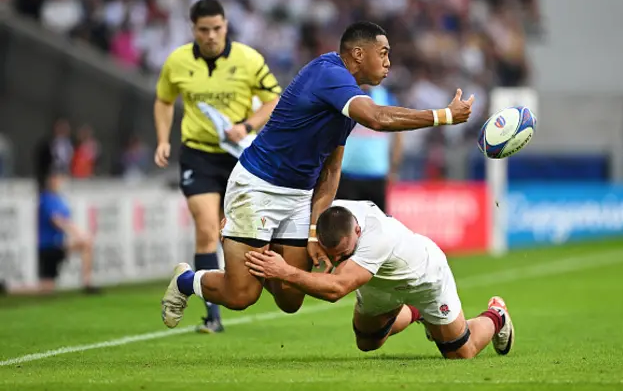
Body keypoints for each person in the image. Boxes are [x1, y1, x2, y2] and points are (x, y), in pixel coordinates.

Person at [161, 21, 474, 329]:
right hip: (258, 187)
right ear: (358, 54)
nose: (389, 62)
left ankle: (253, 245)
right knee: (242, 295)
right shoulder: (329, 75)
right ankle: (186, 281)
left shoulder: (348, 98)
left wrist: (313, 232)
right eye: (383, 52)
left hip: (298, 195)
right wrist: (444, 116)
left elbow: (331, 169)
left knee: (290, 298)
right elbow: (378, 119)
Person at [154, 0, 281, 333]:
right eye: (203, 29)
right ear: (193, 29)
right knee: (208, 229)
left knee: (246, 232)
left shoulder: (248, 59)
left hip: (242, 155)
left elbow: (273, 98)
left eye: (217, 28)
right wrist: (163, 139)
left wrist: (248, 126)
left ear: (226, 26)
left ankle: (221, 285)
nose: (211, 35)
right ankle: (213, 316)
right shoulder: (177, 62)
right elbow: (164, 100)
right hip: (198, 153)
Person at [244, 200, 514, 359]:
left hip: (423, 278)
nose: (338, 260)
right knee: (367, 343)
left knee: (460, 353)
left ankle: (495, 316)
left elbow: (337, 289)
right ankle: (417, 314)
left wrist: (285, 272)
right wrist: (239, 221)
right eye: (333, 255)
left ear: (358, 231)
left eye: (344, 254)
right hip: (377, 282)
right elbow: (285, 210)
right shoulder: (329, 217)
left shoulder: (377, 236)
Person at [4, 168, 98, 295]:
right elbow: (57, 221)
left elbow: (65, 220)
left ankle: (87, 283)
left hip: (58, 244)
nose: (59, 181)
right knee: (46, 288)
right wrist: (77, 232)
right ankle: (9, 288)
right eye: (56, 178)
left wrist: (78, 233)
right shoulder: (46, 199)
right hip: (48, 247)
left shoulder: (59, 198)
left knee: (86, 244)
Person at [336, 84, 403, 212]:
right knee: (346, 224)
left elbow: (398, 136)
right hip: (347, 174)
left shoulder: (386, 97)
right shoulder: (345, 95)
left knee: (377, 225)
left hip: (376, 174)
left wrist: (394, 166)